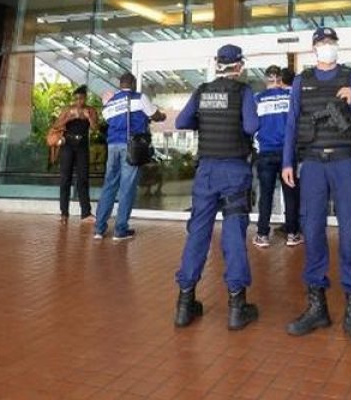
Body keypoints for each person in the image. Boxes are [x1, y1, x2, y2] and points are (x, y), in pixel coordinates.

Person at [282, 26, 351, 347]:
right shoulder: (302, 80)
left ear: (337, 46)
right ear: (314, 49)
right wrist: (287, 162)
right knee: (311, 230)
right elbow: (292, 122)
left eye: (331, 42)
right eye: (321, 43)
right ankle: (317, 306)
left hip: (343, 162)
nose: (327, 47)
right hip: (311, 164)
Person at [172, 44, 261, 330]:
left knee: (198, 232)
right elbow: (250, 127)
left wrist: (205, 120)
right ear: (239, 66)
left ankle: (185, 305)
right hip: (234, 169)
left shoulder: (201, 91)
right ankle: (237, 307)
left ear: (217, 64)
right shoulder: (243, 92)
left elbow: (182, 120)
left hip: (206, 171)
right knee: (233, 233)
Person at [94, 72, 165, 242]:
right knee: (127, 188)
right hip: (130, 147)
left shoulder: (110, 102)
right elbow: (154, 114)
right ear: (133, 84)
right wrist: (162, 116)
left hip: (112, 147)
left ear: (120, 84)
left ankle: (99, 229)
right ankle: (120, 230)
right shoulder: (139, 98)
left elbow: (108, 120)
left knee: (109, 185)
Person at [252, 65, 302, 248]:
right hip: (287, 154)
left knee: (265, 195)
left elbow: (251, 125)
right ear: (280, 79)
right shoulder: (290, 98)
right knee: (290, 195)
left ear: (266, 80)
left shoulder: (256, 99)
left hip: (265, 152)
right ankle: (292, 234)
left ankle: (262, 235)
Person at [53, 86, 99, 223]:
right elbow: (56, 125)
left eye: (82, 98)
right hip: (68, 144)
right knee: (65, 178)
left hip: (82, 146)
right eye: (76, 98)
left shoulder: (90, 110)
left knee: (83, 178)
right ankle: (64, 213)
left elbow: (96, 128)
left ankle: (86, 213)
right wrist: (69, 118)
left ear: (85, 98)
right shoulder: (68, 109)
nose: (79, 101)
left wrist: (89, 118)